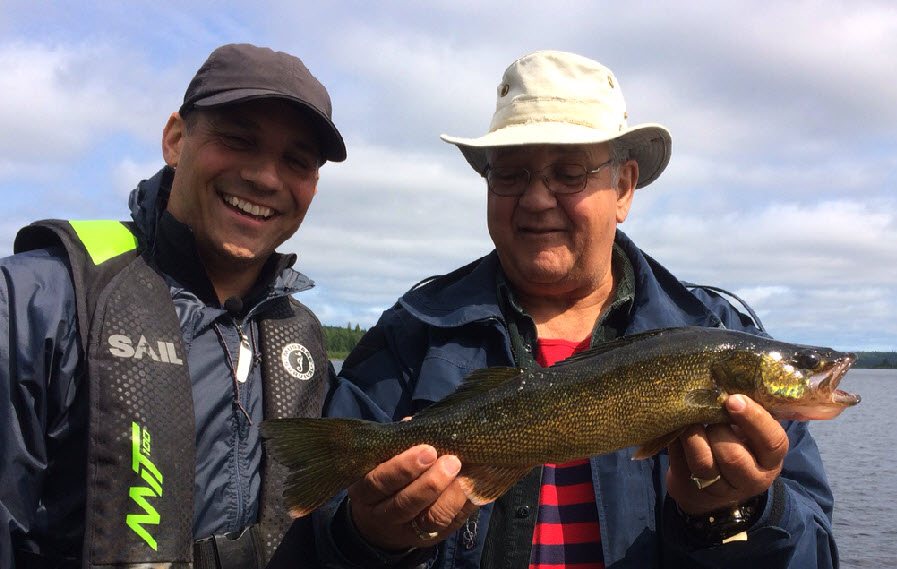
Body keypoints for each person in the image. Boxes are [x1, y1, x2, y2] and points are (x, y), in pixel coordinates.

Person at [308, 51, 838, 568]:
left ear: (624, 188)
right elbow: (313, 540)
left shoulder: (715, 331)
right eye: (511, 174)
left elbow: (817, 553)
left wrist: (742, 513)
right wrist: (368, 538)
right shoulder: (413, 332)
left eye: (568, 173)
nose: (537, 198)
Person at [0, 43, 345, 568]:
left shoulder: (301, 336)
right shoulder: (36, 302)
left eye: (296, 161)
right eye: (238, 140)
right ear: (176, 140)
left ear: (314, 186)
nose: (266, 178)